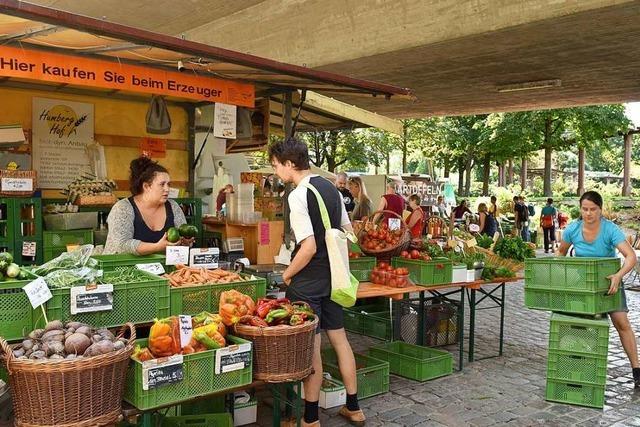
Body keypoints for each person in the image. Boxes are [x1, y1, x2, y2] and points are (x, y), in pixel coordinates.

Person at [268, 138, 364, 426]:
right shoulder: (331, 189)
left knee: (312, 348)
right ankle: (354, 407)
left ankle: (310, 419)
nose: (275, 172)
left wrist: (286, 276)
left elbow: (308, 246)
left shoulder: (297, 196)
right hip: (334, 278)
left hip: (308, 282)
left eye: (275, 166)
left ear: (289, 164)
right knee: (340, 340)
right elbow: (348, 231)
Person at [557, 191, 640, 388]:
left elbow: (630, 256)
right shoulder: (572, 229)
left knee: (622, 323)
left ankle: (637, 369)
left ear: (600, 210)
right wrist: (563, 272)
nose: (588, 213)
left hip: (608, 283)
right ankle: (578, 369)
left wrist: (618, 276)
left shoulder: (610, 230)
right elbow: (560, 252)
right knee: (580, 326)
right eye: (584, 209)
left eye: (593, 209)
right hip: (582, 285)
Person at [104, 156, 190, 255]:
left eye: (168, 184)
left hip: (161, 267)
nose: (167, 189)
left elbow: (181, 238)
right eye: (162, 184)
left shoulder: (173, 207)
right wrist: (157, 247)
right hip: (122, 267)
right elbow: (122, 245)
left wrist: (185, 242)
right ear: (146, 186)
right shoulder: (123, 208)